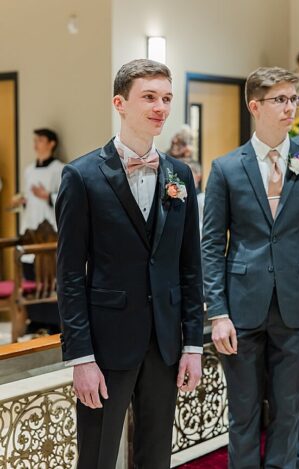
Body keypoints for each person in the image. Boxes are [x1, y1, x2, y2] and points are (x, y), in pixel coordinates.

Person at [56, 59, 204, 468]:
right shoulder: (81, 176)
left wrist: (193, 343)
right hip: (106, 345)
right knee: (98, 457)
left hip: (165, 345)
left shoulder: (179, 175)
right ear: (120, 103)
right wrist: (81, 358)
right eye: (150, 97)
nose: (161, 107)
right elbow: (69, 276)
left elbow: (190, 266)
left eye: (167, 98)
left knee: (155, 457)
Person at [202, 67, 299, 468]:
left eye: (292, 99)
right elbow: (212, 244)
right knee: (243, 413)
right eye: (279, 100)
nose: (289, 107)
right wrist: (217, 313)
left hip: (296, 305)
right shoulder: (227, 168)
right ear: (255, 106)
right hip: (242, 308)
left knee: (289, 411)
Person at [11, 128, 64, 334]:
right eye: (35, 140)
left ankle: (52, 322)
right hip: (30, 228)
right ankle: (35, 319)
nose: (36, 143)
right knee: (31, 274)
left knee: (49, 276)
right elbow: (28, 196)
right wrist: (24, 200)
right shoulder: (29, 170)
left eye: (40, 140)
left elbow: (66, 198)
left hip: (50, 230)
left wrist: (48, 196)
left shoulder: (60, 169)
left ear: (51, 143)